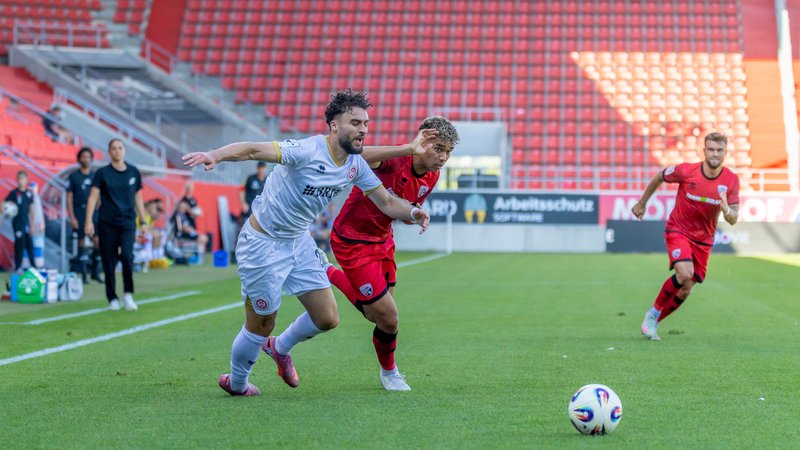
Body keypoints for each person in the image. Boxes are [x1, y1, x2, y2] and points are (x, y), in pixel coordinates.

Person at [182, 89, 435, 396]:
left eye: (366, 123)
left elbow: (385, 201)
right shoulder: (305, 150)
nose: (363, 129)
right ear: (334, 126)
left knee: (327, 318)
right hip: (262, 243)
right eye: (355, 122)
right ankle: (237, 383)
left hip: (298, 241)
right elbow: (250, 149)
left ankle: (280, 349)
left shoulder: (354, 164)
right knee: (261, 324)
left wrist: (412, 211)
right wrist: (216, 155)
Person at [323, 115, 459, 390]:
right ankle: (390, 373)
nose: (443, 157)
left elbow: (403, 205)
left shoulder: (432, 175)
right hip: (352, 240)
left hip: (383, 240)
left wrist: (414, 213)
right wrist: (407, 148)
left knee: (380, 317)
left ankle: (326, 271)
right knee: (389, 317)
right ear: (422, 141)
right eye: (438, 148)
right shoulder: (394, 159)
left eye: (448, 151)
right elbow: (356, 155)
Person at [633, 132, 740, 340]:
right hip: (679, 229)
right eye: (711, 149)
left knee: (685, 290)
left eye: (719, 150)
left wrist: (727, 211)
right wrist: (642, 203)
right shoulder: (686, 171)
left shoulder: (731, 181)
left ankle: (654, 321)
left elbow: (734, 218)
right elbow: (659, 176)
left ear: (725, 153)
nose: (715, 154)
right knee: (684, 274)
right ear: (704, 151)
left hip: (704, 240)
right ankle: (652, 312)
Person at [84, 139, 147, 312]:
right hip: (107, 223)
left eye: (120, 148)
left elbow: (138, 198)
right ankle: (112, 298)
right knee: (108, 261)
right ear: (109, 152)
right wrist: (88, 220)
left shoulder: (134, 172)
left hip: (127, 222)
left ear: (124, 151)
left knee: (127, 256)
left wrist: (143, 221)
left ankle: (128, 294)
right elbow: (93, 197)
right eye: (113, 148)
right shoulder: (102, 173)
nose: (117, 151)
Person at [67, 147, 102, 284]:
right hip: (79, 212)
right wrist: (72, 217)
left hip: (94, 213)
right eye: (83, 156)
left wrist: (99, 207)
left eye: (88, 156)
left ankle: (95, 272)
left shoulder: (95, 176)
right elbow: (69, 197)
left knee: (97, 242)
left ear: (91, 159)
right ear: (79, 159)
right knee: (81, 242)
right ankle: (83, 275)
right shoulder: (74, 176)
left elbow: (98, 194)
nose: (85, 159)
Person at [3, 171, 37, 271]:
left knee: (30, 244)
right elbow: (5, 204)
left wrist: (32, 225)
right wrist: (6, 211)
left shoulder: (29, 194)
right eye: (19, 178)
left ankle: (33, 267)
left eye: (23, 178)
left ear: (26, 180)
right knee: (20, 244)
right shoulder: (14, 193)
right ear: (17, 180)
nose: (20, 181)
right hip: (17, 224)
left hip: (26, 223)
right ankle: (18, 267)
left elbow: (31, 209)